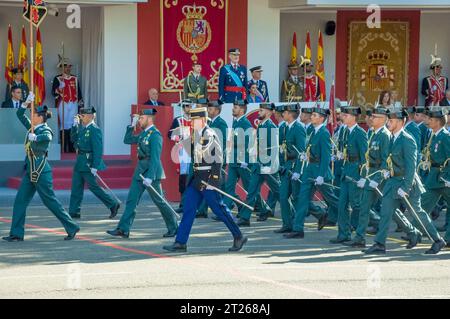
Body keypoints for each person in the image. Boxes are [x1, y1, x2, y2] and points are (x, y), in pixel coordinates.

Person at [163, 107, 248, 253]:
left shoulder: (210, 134)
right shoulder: (196, 134)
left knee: (219, 209)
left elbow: (218, 159)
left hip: (208, 179)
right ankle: (180, 242)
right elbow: (192, 153)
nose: (191, 122)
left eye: (194, 120)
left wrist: (213, 181)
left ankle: (238, 235)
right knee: (189, 209)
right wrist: (183, 140)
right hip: (196, 179)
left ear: (202, 120)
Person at [364, 108, 446, 255]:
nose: (389, 123)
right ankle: (380, 243)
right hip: (392, 181)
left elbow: (411, 166)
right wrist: (386, 172)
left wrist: (406, 186)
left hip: (407, 182)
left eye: (392, 120)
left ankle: (437, 240)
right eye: (388, 120)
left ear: (401, 122)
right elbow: (389, 160)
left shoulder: (407, 139)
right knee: (386, 211)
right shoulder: (390, 138)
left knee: (417, 213)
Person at [2, 93, 80, 242]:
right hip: (30, 170)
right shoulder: (33, 127)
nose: (31, 115)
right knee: (20, 201)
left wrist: (36, 137)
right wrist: (25, 103)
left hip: (41, 171)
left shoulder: (44, 129)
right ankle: (17, 233)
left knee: (50, 201)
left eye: (33, 113)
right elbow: (19, 115)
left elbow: (48, 138)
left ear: (40, 117)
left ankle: (72, 226)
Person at [107, 109, 178, 238]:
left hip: (152, 173)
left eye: (141, 118)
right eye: (139, 119)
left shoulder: (155, 135)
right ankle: (123, 229)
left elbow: (155, 158)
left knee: (159, 201)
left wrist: (150, 177)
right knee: (131, 201)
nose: (139, 120)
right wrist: (132, 125)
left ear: (149, 119)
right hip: (140, 171)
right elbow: (127, 140)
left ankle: (174, 227)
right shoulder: (143, 134)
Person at [286, 108, 337, 238]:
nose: (311, 117)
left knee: (334, 201)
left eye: (314, 115)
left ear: (321, 118)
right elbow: (309, 149)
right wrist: (304, 158)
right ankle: (298, 229)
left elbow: (326, 156)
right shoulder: (313, 131)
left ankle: (352, 220)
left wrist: (321, 175)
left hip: (320, 171)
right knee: (302, 199)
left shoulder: (324, 133)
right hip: (309, 169)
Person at [68, 107, 121, 219]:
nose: (81, 117)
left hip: (88, 162)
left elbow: (98, 149)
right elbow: (73, 139)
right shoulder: (83, 128)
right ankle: (74, 211)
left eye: (83, 115)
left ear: (91, 116)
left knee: (93, 187)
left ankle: (112, 204)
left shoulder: (94, 129)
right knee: (76, 187)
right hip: (80, 162)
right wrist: (74, 125)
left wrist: (95, 166)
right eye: (81, 116)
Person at [237, 103, 280, 226]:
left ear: (268, 112)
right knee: (251, 191)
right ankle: (245, 218)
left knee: (278, 191)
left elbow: (274, 148)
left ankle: (292, 214)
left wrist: (269, 164)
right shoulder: (261, 125)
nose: (259, 113)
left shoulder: (271, 126)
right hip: (258, 164)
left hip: (268, 165)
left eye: (261, 110)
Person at [330, 107, 368, 244]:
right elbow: (343, 148)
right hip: (346, 170)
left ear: (353, 117)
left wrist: (364, 176)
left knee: (356, 204)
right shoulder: (344, 131)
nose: (343, 117)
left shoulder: (360, 133)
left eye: (346, 115)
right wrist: (339, 155)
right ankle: (343, 233)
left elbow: (365, 157)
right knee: (342, 204)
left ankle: (359, 235)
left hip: (356, 171)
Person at [419, 106, 450, 248]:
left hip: (445, 178)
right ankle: (415, 231)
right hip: (434, 177)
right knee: (422, 205)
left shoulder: (445, 136)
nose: (427, 121)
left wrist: (448, 176)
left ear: (438, 121)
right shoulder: (433, 135)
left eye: (430, 119)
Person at [196, 99, 228, 219]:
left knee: (217, 185)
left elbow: (222, 142)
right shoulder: (208, 123)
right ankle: (202, 210)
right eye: (208, 109)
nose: (208, 111)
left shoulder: (221, 123)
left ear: (217, 110)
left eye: (210, 109)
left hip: (216, 159)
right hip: (206, 158)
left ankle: (224, 209)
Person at [276, 103, 305, 233]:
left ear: (291, 114)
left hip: (295, 166)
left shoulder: (298, 128)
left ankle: (297, 227)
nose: (283, 114)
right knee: (283, 196)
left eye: (286, 112)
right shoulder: (286, 128)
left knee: (297, 198)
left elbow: (302, 152)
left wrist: (298, 171)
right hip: (287, 165)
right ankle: (287, 224)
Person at [52, 58, 83, 153]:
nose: (68, 68)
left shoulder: (75, 78)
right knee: (63, 124)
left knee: (73, 124)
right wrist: (59, 88)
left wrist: (81, 103)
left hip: (73, 103)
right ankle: (63, 147)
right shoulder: (57, 78)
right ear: (61, 68)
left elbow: (79, 92)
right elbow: (53, 92)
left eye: (69, 66)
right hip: (63, 103)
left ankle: (72, 147)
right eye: (65, 66)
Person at [168, 100, 193, 214]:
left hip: (194, 151)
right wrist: (178, 137)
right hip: (183, 151)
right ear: (183, 108)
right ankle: (183, 203)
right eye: (186, 106)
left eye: (190, 106)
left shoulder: (196, 119)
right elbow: (170, 134)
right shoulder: (178, 120)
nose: (188, 108)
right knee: (184, 177)